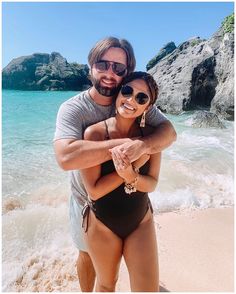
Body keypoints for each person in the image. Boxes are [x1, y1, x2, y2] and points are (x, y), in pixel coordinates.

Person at [54, 36, 176, 292]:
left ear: (126, 72)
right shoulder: (74, 109)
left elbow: (169, 133)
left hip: (132, 204)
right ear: (91, 66)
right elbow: (66, 157)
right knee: (87, 256)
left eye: (118, 68)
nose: (110, 73)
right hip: (86, 200)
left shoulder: (133, 97)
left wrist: (143, 146)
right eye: (103, 64)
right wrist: (130, 149)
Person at [81, 71, 161, 292]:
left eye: (141, 98)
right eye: (127, 91)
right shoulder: (94, 134)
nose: (131, 100)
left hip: (140, 221)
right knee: (106, 286)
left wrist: (132, 177)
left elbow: (152, 184)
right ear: (119, 92)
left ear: (148, 107)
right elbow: (94, 191)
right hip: (102, 224)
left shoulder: (152, 137)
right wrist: (128, 170)